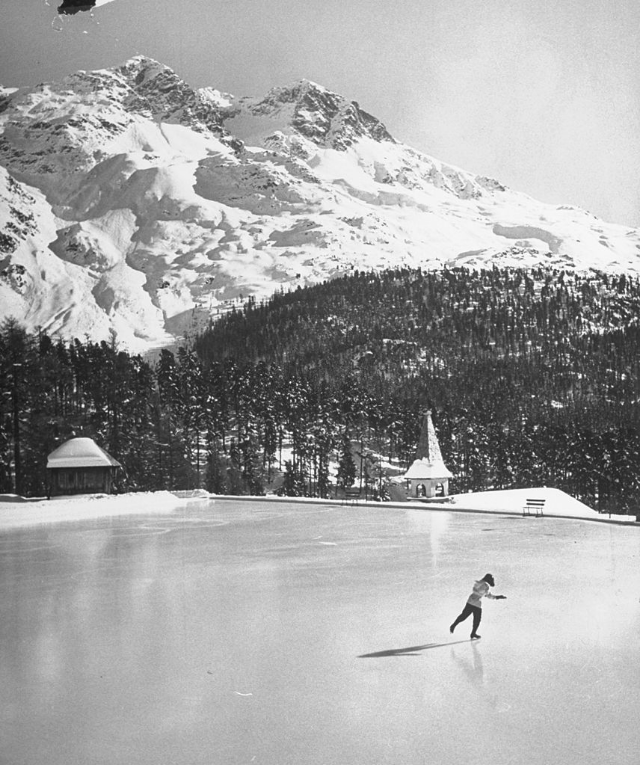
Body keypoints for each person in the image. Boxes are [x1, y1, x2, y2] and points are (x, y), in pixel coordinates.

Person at [449, 573, 506, 639]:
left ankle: (472, 633)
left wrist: (497, 597)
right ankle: (455, 626)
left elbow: (485, 594)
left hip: (475, 603)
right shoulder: (482, 584)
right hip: (473, 602)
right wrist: (495, 596)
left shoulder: (483, 584)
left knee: (473, 618)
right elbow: (479, 591)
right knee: (467, 617)